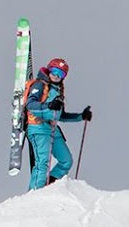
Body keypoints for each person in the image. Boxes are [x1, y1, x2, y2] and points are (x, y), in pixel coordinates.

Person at [23, 58, 92, 189]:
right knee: (43, 162)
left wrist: (81, 116)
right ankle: (35, 193)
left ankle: (48, 186)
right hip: (38, 128)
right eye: (54, 71)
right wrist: (49, 105)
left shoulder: (58, 91)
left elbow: (60, 115)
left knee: (66, 161)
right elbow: (30, 105)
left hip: (53, 129)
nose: (56, 76)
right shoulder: (40, 85)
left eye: (61, 74)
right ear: (49, 70)